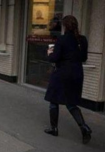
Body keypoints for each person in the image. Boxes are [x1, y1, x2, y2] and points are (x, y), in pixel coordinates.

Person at [44, 15, 92, 144]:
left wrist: (50, 54)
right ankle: (84, 127)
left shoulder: (62, 39)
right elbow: (83, 58)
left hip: (62, 73)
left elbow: (54, 58)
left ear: (64, 26)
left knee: (53, 99)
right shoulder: (83, 40)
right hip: (77, 73)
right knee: (71, 103)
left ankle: (54, 128)